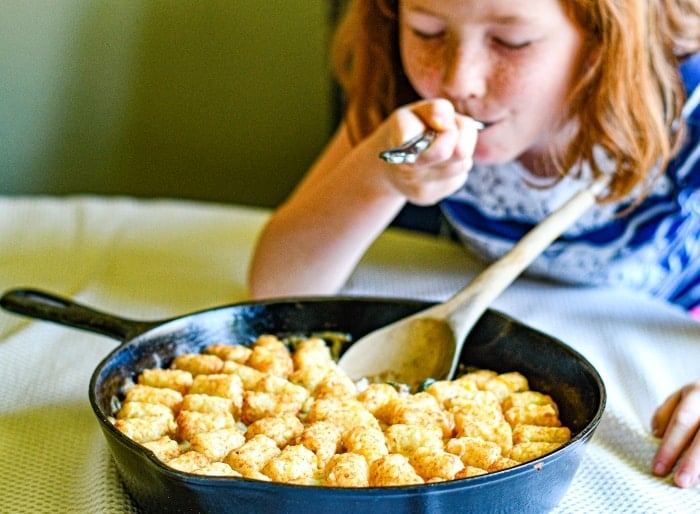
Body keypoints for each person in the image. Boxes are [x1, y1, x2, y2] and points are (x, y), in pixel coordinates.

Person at [248, 0, 700, 488]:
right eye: (426, 31)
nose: (458, 80)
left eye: (510, 42)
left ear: (605, 35)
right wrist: (380, 176)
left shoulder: (686, 106)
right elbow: (278, 286)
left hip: (666, 325)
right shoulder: (407, 101)